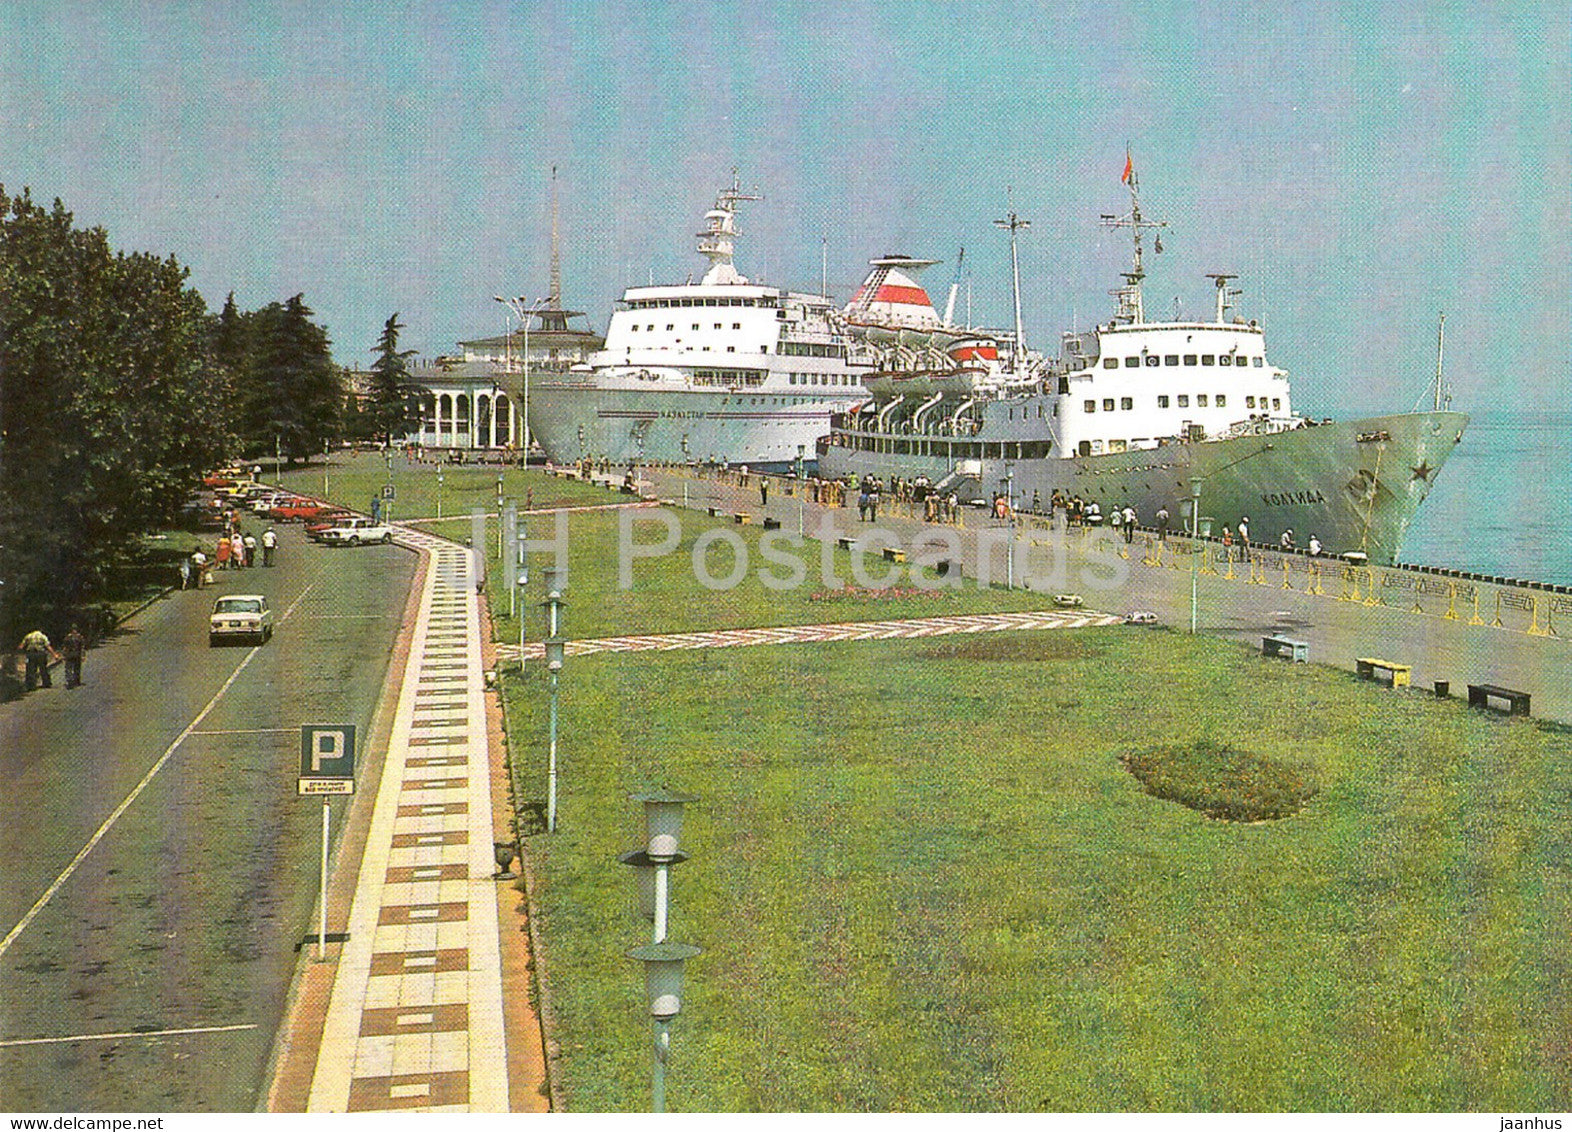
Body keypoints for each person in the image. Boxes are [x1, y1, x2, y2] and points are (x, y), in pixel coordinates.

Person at [61, 624, 86, 689]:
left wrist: (64, 655)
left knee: (68, 668)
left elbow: (65, 647)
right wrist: (83, 656)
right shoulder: (80, 637)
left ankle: (69, 680)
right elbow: (82, 647)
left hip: (69, 654)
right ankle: (76, 680)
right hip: (77, 654)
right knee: (77, 667)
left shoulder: (67, 637)